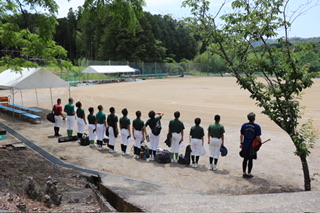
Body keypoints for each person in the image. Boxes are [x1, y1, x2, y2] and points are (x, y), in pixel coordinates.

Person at [240, 112, 262, 178]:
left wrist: (241, 143)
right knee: (250, 160)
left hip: (245, 145)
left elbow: (241, 135)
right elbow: (258, 137)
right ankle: (249, 173)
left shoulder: (244, 125)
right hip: (252, 146)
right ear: (254, 118)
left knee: (245, 159)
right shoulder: (257, 126)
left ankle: (244, 173)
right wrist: (260, 142)